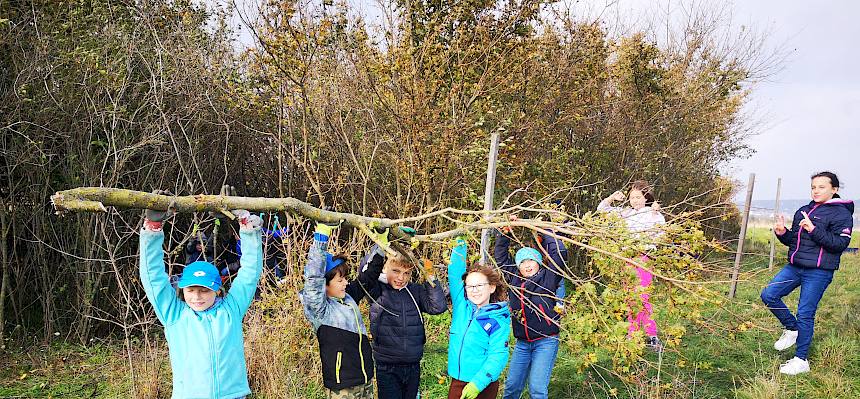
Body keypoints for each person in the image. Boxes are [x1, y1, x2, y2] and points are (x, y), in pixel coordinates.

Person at [139, 193, 263, 399]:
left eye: (204, 290)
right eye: (191, 290)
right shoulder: (174, 315)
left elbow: (250, 273)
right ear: (183, 290)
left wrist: (247, 226)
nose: (197, 296)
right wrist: (152, 228)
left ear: (217, 290)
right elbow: (153, 278)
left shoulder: (231, 310)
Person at [761, 171, 854, 375]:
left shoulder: (842, 214)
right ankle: (792, 329)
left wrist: (813, 230)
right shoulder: (804, 210)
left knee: (805, 313)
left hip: (819, 272)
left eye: (822, 187)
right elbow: (794, 241)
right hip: (795, 267)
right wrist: (782, 233)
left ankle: (800, 359)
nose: (816, 191)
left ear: (834, 189)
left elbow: (840, 244)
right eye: (813, 187)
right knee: (768, 295)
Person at [358, 228, 448, 399]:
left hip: (413, 364)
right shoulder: (377, 290)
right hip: (387, 366)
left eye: (406, 273)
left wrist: (431, 277)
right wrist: (381, 244)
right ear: (385, 269)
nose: (401, 278)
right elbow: (365, 271)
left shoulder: (415, 291)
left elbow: (437, 307)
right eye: (396, 271)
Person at [299, 220, 382, 398]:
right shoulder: (320, 310)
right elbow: (313, 276)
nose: (346, 282)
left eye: (345, 278)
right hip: (342, 386)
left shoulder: (348, 297)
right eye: (340, 280)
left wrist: (382, 244)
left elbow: (368, 277)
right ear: (325, 284)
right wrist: (321, 236)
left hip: (364, 379)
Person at [494, 218, 567, 399]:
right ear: (518, 266)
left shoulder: (548, 278)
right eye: (522, 261)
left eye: (531, 260)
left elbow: (560, 254)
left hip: (546, 341)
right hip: (523, 343)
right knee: (511, 387)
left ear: (538, 262)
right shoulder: (514, 279)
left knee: (537, 389)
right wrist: (506, 232)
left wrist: (545, 230)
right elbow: (501, 256)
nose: (527, 264)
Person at [597, 180, 666, 350]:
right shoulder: (626, 213)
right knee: (629, 298)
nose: (634, 200)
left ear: (646, 197)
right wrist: (613, 197)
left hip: (643, 258)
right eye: (631, 197)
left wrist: (647, 241)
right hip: (627, 259)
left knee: (642, 297)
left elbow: (662, 233)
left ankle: (651, 335)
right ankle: (632, 333)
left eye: (638, 197)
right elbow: (601, 210)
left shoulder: (652, 213)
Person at [447, 237, 511, 399]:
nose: (474, 290)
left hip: (483, 384)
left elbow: (499, 355)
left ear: (491, 287)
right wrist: (459, 244)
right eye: (470, 286)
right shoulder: (462, 307)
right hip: (458, 380)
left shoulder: (498, 318)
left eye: (479, 285)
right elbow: (455, 273)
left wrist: (478, 383)